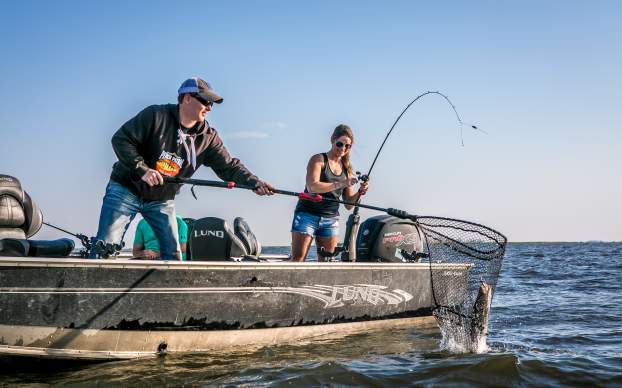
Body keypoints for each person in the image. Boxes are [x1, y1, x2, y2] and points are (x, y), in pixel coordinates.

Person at [91, 77, 274, 260]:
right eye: (205, 101)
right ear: (187, 98)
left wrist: (254, 182)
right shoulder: (155, 115)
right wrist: (143, 169)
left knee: (174, 255)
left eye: (212, 104)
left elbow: (229, 166)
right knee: (105, 249)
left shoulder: (208, 138)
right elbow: (121, 139)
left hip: (161, 199)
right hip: (126, 189)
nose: (210, 107)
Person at [290, 124, 369, 262]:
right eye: (340, 144)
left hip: (330, 220)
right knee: (298, 259)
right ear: (332, 140)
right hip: (307, 216)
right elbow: (312, 187)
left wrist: (360, 193)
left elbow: (349, 205)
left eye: (347, 146)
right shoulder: (318, 160)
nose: (343, 149)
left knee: (327, 262)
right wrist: (342, 183)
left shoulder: (347, 169)